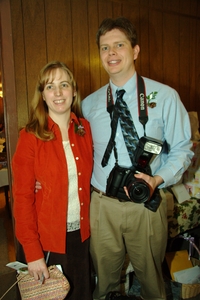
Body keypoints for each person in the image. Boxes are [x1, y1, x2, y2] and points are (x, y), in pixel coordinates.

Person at [81, 17, 193, 300]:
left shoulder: (166, 97)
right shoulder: (89, 103)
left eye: (119, 45)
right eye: (105, 48)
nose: (112, 53)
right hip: (102, 205)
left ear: (135, 50)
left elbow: (182, 148)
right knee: (103, 283)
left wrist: (157, 178)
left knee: (152, 284)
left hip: (146, 204)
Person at [12, 61, 93, 300]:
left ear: (74, 91)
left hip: (80, 238)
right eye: (50, 86)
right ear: (43, 95)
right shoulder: (30, 136)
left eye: (64, 85)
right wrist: (33, 252)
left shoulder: (84, 129)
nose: (58, 93)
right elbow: (22, 199)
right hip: (44, 241)